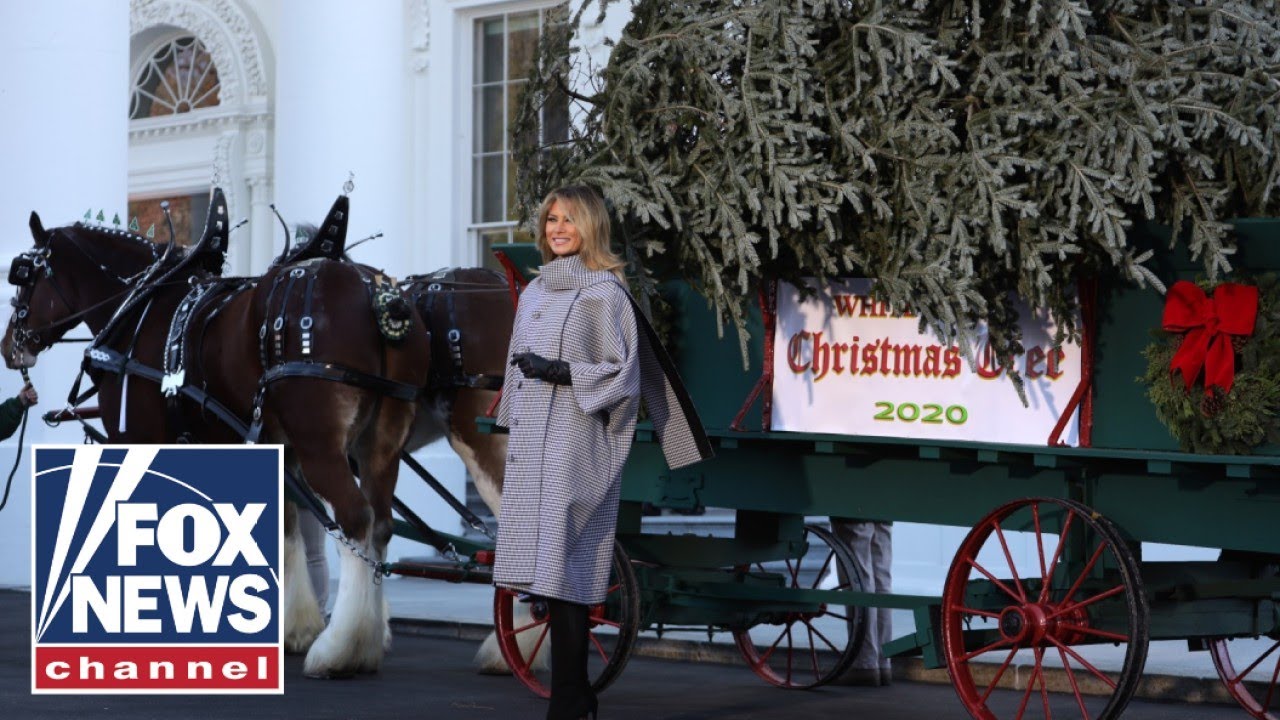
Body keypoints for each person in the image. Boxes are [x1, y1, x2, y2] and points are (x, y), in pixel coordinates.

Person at [493, 185, 712, 720]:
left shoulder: (605, 294)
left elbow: (624, 376)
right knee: (542, 571)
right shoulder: (538, 292)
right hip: (531, 445)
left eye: (569, 219)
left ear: (591, 226)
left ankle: (570, 697)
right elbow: (515, 365)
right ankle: (576, 695)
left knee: (564, 565)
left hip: (576, 440)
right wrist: (511, 413)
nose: (558, 228)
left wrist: (563, 372)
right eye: (551, 219)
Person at [830, 517, 893, 686]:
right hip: (884, 501)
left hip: (854, 502)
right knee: (881, 579)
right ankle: (882, 661)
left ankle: (864, 663)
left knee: (858, 576)